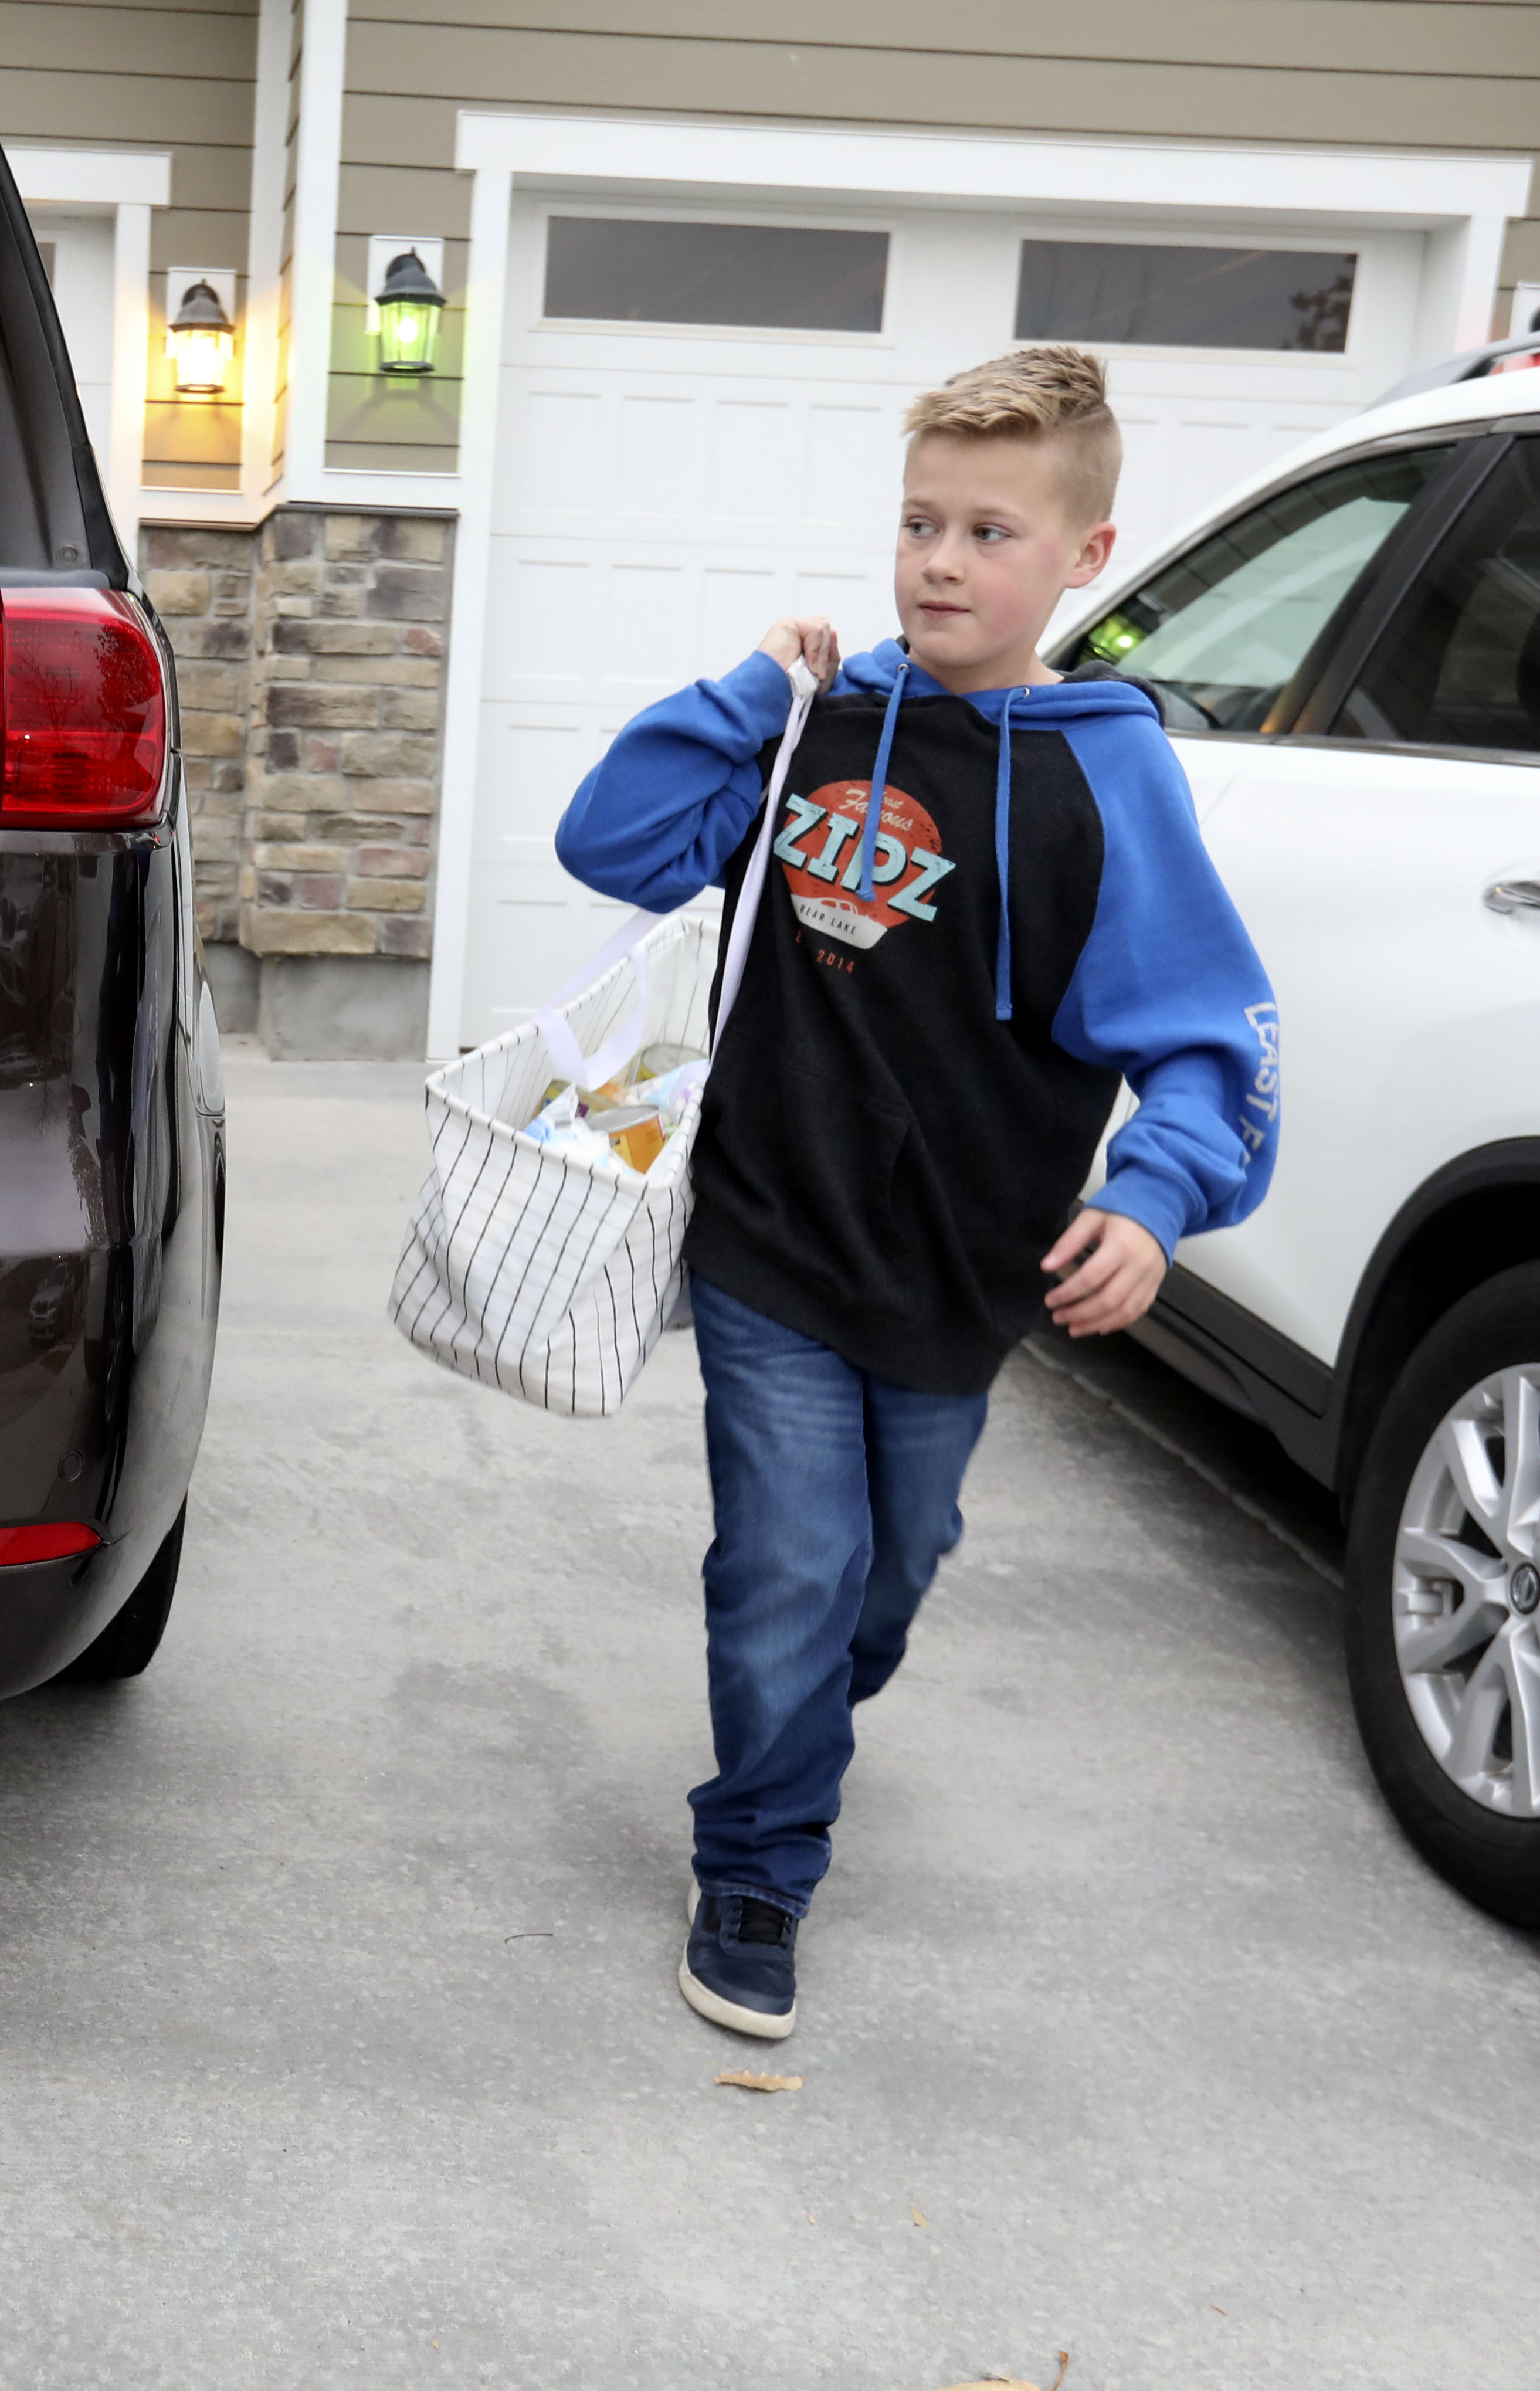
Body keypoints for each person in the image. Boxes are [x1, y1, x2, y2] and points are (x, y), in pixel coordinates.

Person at [553, 346, 1279, 2041]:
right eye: (918, 523)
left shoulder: (1113, 772)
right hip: (772, 1229)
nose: (941, 563)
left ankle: (803, 1722)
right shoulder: (817, 724)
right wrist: (749, 690)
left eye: (990, 534)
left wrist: (1159, 1199)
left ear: (1085, 558)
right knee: (793, 1564)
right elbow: (617, 840)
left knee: (892, 1572)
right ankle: (759, 1856)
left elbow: (1199, 1034)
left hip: (968, 1268)